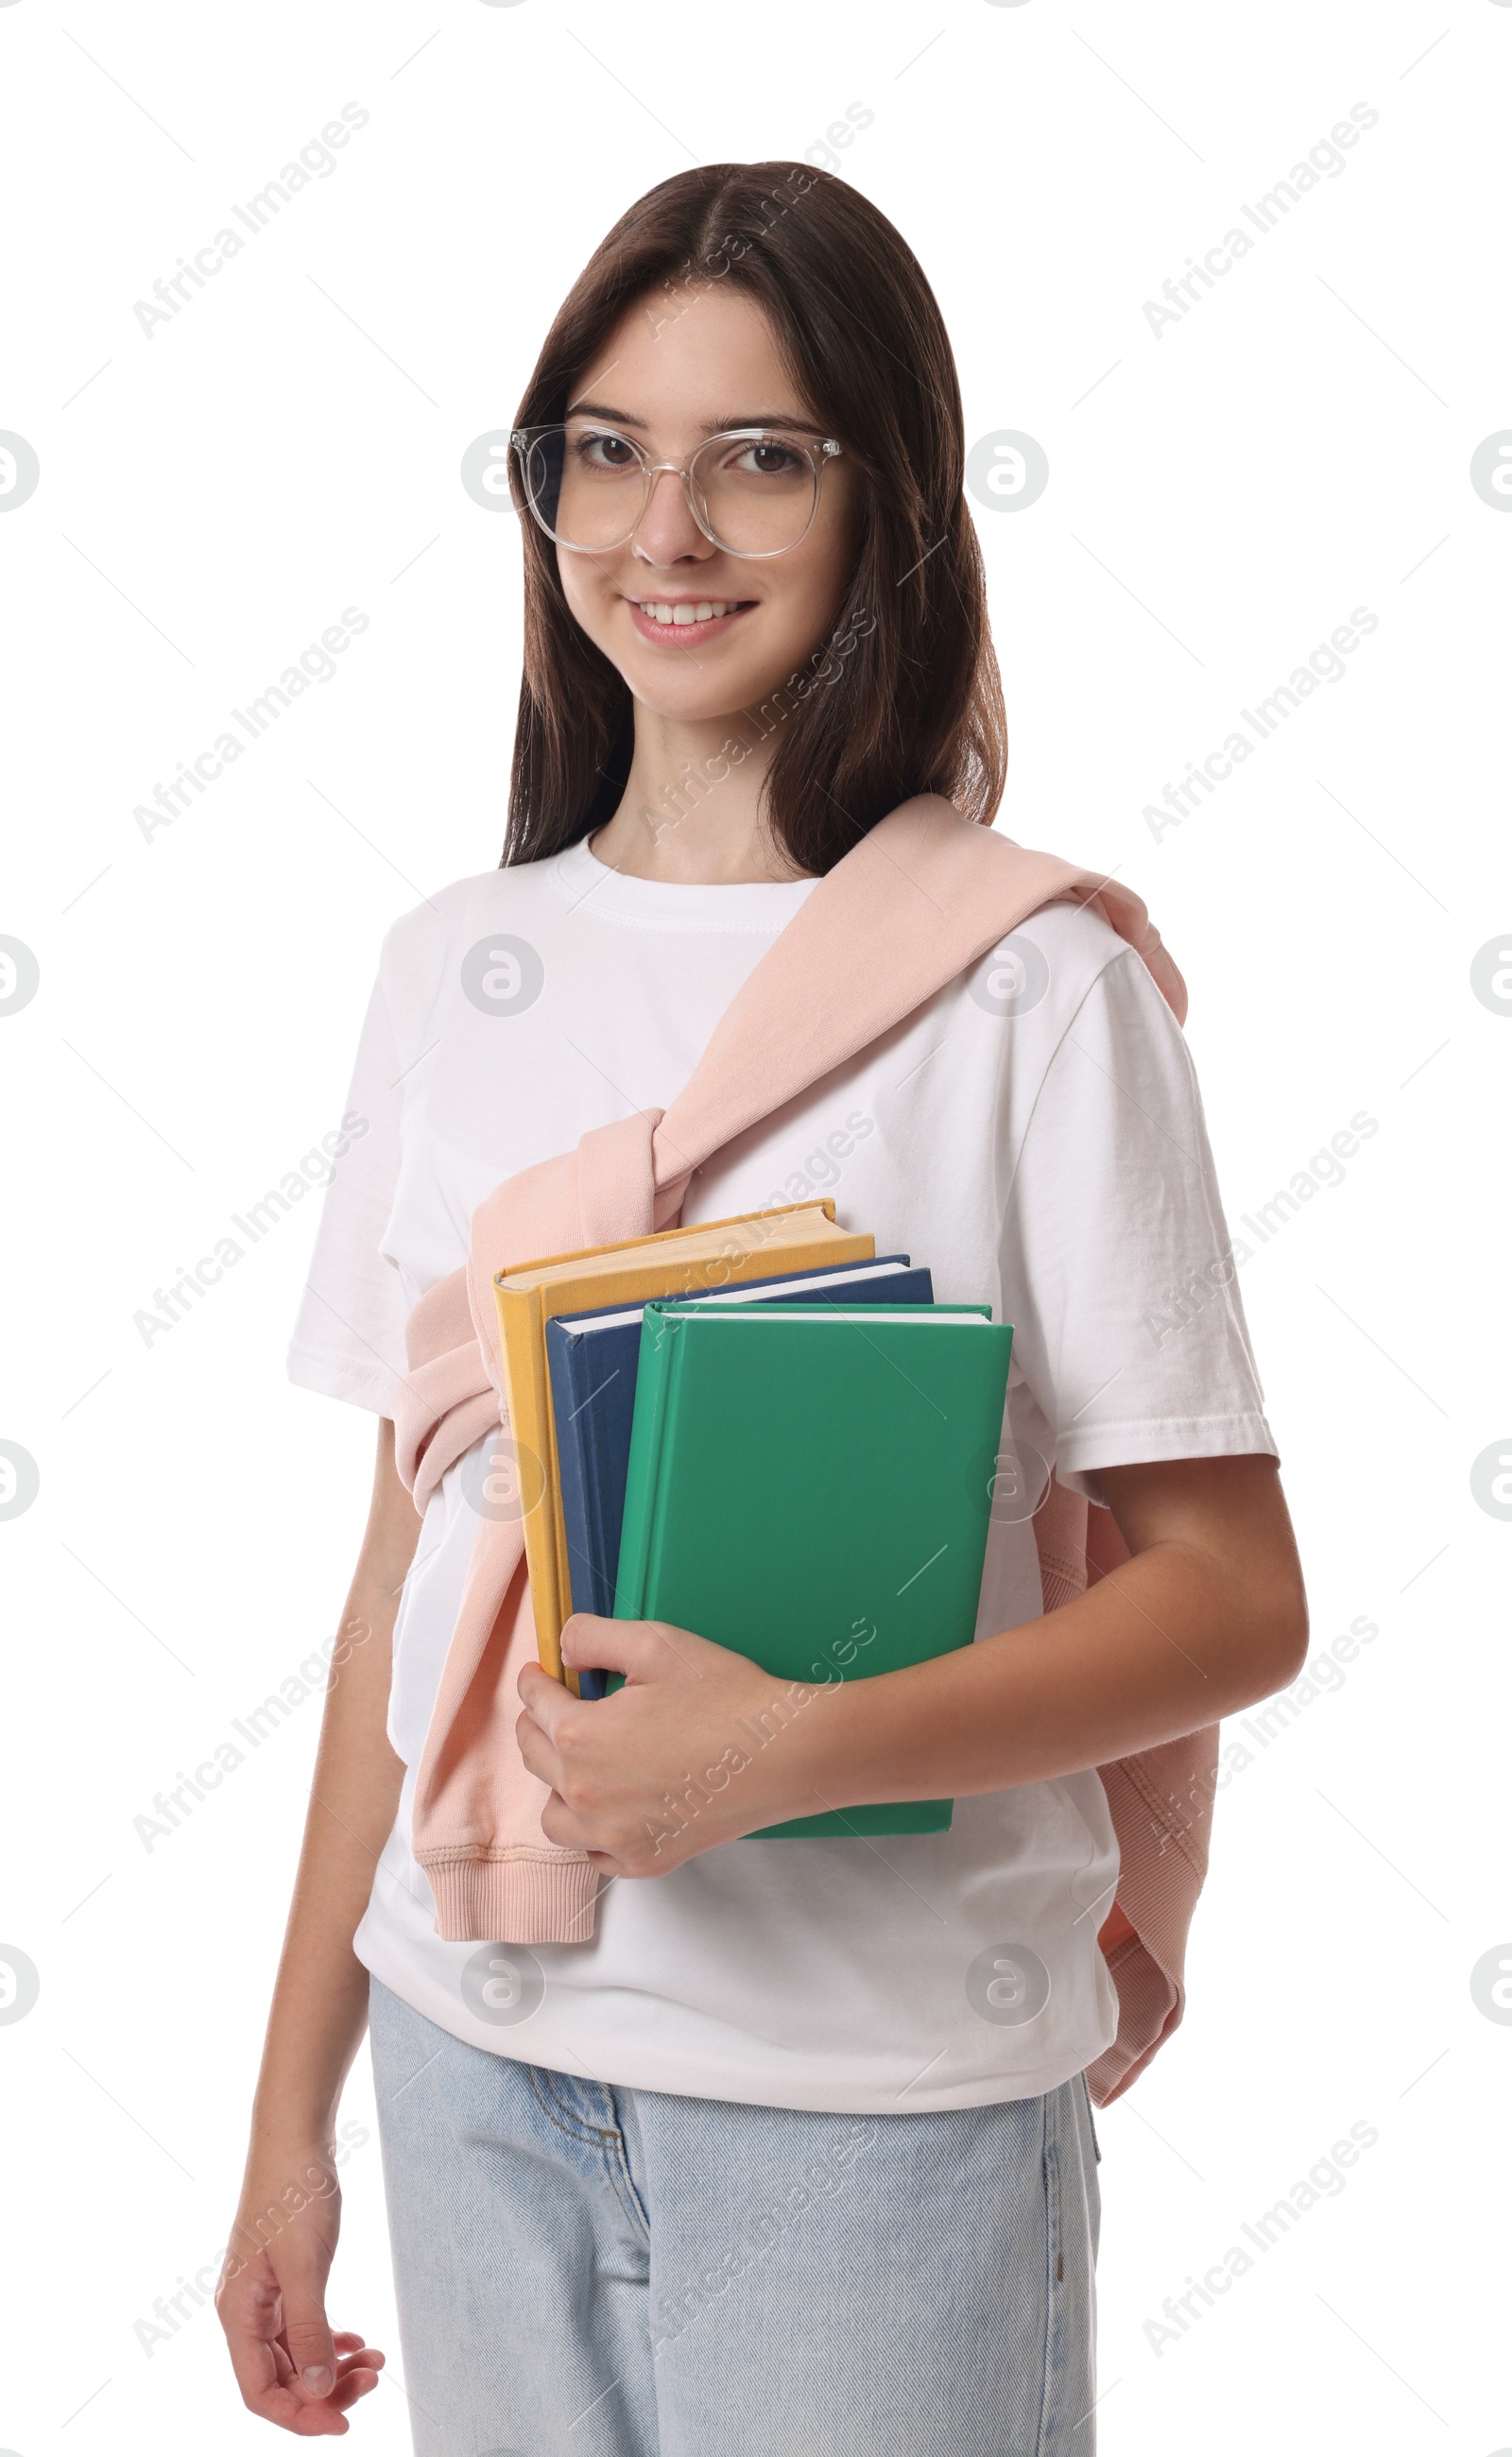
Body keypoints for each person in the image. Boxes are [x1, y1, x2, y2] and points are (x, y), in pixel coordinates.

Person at [217, 162, 1307, 2450]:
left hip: (880, 2106)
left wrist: (778, 1751)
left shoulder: (1032, 986)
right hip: (471, 2048)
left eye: (760, 456)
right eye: (600, 450)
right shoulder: (455, 964)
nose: (664, 528)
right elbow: (399, 1586)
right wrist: (286, 2116)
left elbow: (1230, 1600)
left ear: (888, 503)